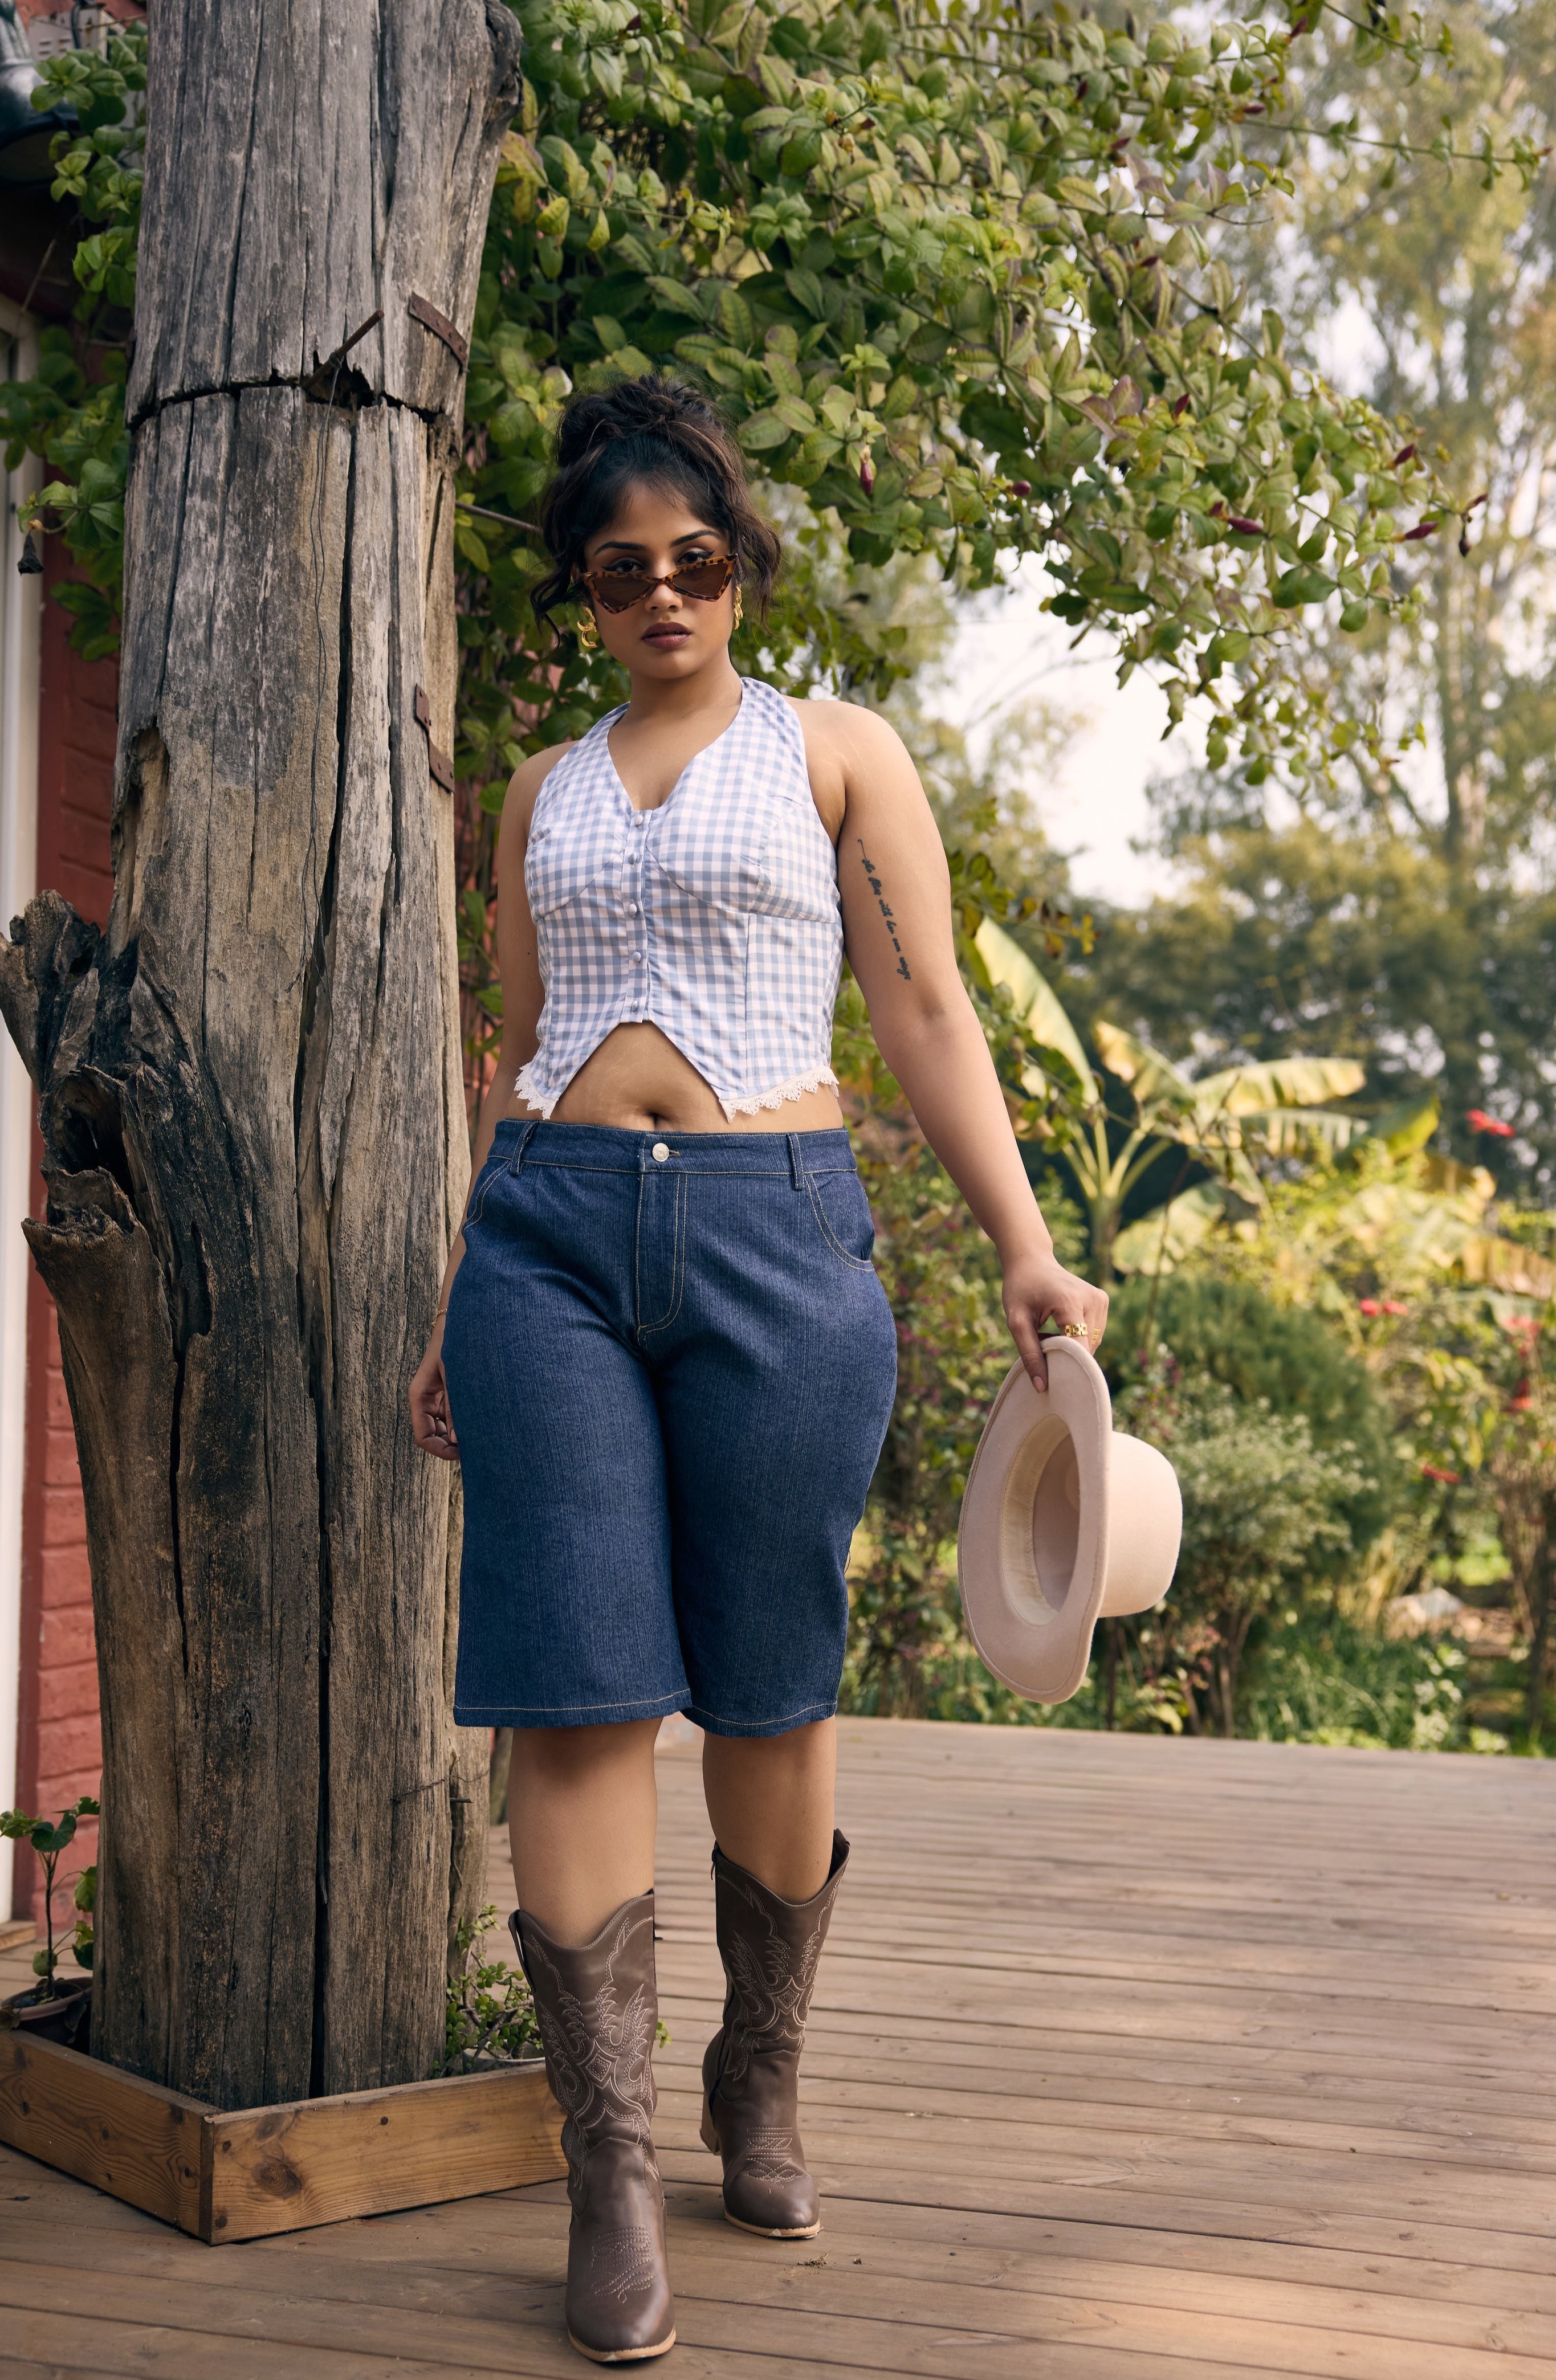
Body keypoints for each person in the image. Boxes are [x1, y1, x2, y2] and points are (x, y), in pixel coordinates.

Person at [410, 374, 1107, 2363]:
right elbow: (513, 1048)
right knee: (575, 1694)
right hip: (547, 1241)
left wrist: (1027, 1243)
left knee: (772, 1693)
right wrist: (455, 1287)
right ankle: (613, 2170)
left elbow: (928, 1005)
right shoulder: (538, 792)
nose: (663, 593)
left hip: (777, 1239)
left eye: (696, 559)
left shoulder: (836, 754)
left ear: (743, 566)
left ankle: (761, 2070)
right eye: (620, 568)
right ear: (584, 590)